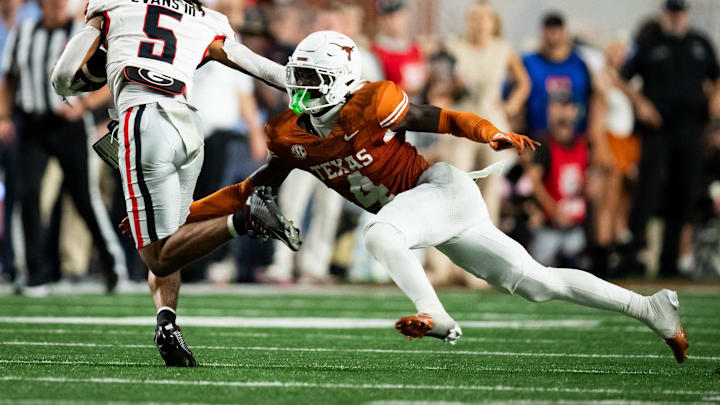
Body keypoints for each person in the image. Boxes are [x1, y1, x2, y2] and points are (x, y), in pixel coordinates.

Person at [186, 31, 689, 364]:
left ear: (339, 80)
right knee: (536, 284)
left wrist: (491, 132)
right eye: (296, 77)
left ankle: (438, 314)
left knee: (381, 234)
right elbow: (251, 189)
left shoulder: (372, 104)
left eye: (310, 79)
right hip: (426, 214)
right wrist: (185, 215)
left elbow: (440, 118)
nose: (298, 87)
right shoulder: (289, 135)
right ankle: (649, 309)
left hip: (439, 191)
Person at [51, 0, 300, 366]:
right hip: (188, 127)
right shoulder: (205, 18)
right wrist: (299, 81)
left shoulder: (114, 4)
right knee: (173, 242)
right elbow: (254, 63)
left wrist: (87, 78)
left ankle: (245, 219)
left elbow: (62, 76)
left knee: (155, 253)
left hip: (143, 121)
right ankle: (167, 322)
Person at [0, 0, 126, 293]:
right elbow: (9, 77)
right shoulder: (24, 31)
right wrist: (4, 116)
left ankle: (112, 264)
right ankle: (34, 273)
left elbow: (112, 77)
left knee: (84, 197)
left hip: (68, 125)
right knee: (26, 194)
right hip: (31, 124)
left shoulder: (82, 32)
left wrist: (84, 104)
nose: (57, 6)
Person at [618, 0, 720, 277]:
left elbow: (717, 74)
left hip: (692, 128)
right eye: (672, 13)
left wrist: (715, 97)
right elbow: (622, 78)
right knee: (647, 190)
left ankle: (670, 260)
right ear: (664, 14)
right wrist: (640, 103)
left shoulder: (700, 43)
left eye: (680, 13)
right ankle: (633, 254)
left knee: (684, 191)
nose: (676, 18)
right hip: (658, 129)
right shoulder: (649, 42)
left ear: (687, 15)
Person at [528, 93, 588, 267]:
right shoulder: (545, 145)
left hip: (576, 229)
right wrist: (552, 210)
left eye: (567, 107)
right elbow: (534, 180)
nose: (563, 113)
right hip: (549, 228)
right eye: (558, 107)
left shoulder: (583, 144)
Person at [370, 0, 425, 97]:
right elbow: (375, 91)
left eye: (398, 16)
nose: (393, 21)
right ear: (381, 20)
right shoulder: (375, 51)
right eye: (388, 17)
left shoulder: (415, 47)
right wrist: (402, 88)